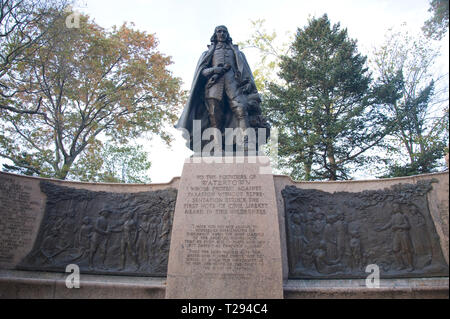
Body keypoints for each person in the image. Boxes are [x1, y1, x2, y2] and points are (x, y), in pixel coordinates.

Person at [175, 25, 269, 151]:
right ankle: (217, 147)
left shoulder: (237, 53)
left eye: (224, 32)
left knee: (241, 110)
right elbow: (201, 72)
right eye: (219, 31)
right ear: (215, 34)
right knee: (215, 118)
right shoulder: (208, 53)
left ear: (227, 35)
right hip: (214, 88)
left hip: (234, 87)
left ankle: (247, 142)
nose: (222, 34)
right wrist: (215, 69)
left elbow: (246, 71)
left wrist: (248, 84)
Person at [376, 203, 414, 271]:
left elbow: (407, 225)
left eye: (395, 207)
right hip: (396, 235)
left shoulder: (403, 215)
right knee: (395, 250)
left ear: (399, 208)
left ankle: (410, 266)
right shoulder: (393, 217)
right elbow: (389, 224)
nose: (394, 208)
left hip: (403, 234)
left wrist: (398, 226)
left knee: (407, 250)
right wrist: (381, 228)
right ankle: (401, 265)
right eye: (393, 207)